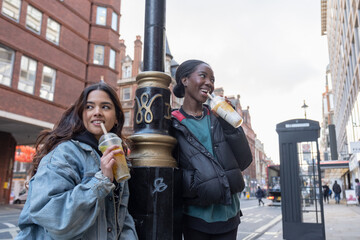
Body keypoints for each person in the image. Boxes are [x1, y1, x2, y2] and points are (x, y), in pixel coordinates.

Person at [16, 82, 138, 240]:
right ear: (81, 115)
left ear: (116, 118)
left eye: (106, 107)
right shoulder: (65, 154)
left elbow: (120, 218)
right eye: (89, 107)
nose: (97, 112)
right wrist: (101, 181)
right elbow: (52, 218)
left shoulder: (116, 157)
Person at [170, 59, 252, 240]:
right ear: (184, 80)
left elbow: (244, 160)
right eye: (203, 76)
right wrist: (196, 184)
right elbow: (172, 171)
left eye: (212, 79)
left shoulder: (218, 118)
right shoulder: (173, 123)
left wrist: (230, 123)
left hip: (230, 216)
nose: (209, 83)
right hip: (196, 218)